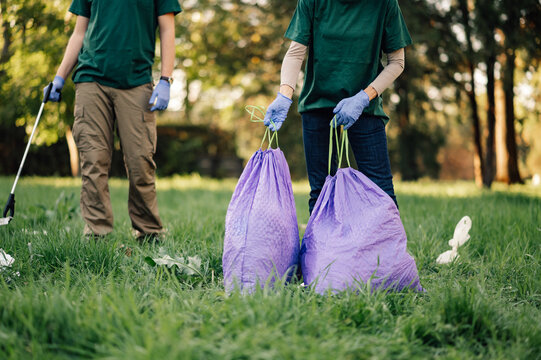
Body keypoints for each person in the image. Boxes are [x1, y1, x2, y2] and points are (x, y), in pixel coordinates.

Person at [45, 0, 182, 240]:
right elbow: (80, 32)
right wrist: (59, 76)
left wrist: (165, 79)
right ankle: (97, 233)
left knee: (140, 160)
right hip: (91, 77)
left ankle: (149, 233)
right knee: (93, 158)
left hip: (136, 81)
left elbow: (167, 28)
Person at [264, 0, 411, 214]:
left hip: (364, 107)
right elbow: (296, 52)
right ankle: (322, 248)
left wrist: (363, 97)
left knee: (382, 191)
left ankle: (388, 248)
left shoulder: (384, 4)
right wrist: (285, 95)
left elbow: (397, 61)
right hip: (317, 104)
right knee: (321, 191)